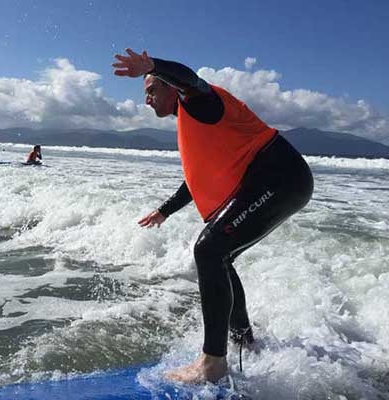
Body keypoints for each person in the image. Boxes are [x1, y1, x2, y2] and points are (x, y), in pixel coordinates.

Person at [112, 48, 313, 384]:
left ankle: (212, 363)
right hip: (280, 179)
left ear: (171, 87)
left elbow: (193, 81)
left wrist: (153, 66)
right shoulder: (194, 124)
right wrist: (164, 211)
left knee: (209, 250)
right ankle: (243, 342)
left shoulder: (199, 101)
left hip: (280, 176)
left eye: (151, 89)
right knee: (220, 256)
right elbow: (196, 180)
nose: (146, 99)